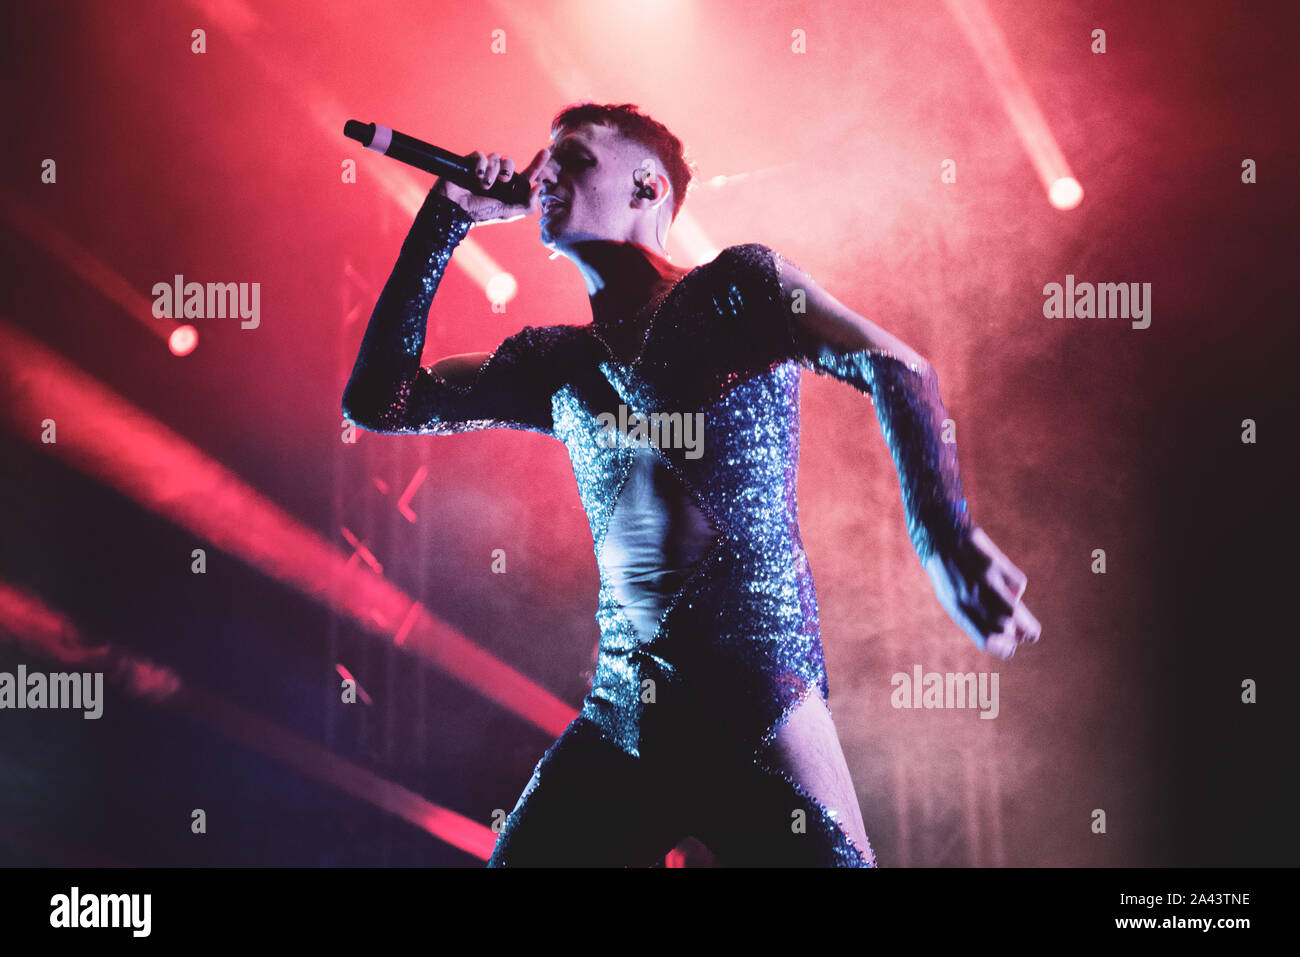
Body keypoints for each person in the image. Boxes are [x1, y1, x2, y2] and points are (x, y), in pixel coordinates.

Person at [342, 101, 1041, 867]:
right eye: (544, 160)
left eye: (572, 159)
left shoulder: (736, 287)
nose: (542, 174)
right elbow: (383, 401)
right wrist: (448, 214)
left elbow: (894, 363)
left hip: (757, 696)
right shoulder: (553, 363)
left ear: (647, 188)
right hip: (622, 715)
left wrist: (938, 527)